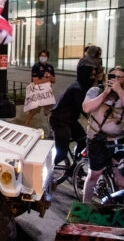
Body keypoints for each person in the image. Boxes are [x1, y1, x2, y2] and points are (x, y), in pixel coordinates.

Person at [81, 66, 124, 203]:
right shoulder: (95, 90)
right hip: (96, 139)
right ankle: (85, 207)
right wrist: (105, 93)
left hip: (118, 140)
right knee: (94, 174)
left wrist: (119, 91)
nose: (115, 80)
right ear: (107, 77)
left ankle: (117, 207)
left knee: (121, 179)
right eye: (112, 76)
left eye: (119, 77)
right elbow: (87, 108)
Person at [48, 65, 96, 168]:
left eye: (94, 75)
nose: (93, 78)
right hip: (59, 120)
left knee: (83, 140)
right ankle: (49, 172)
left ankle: (75, 166)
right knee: (61, 153)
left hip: (70, 120)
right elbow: (84, 108)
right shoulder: (77, 88)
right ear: (85, 75)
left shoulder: (82, 87)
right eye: (91, 75)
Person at [24, 50, 56, 126]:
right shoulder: (36, 67)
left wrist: (48, 77)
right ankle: (26, 125)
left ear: (47, 57)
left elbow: (54, 80)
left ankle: (51, 130)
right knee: (33, 111)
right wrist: (47, 79)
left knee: (50, 112)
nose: (43, 58)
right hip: (38, 93)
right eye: (41, 56)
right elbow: (36, 81)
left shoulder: (50, 67)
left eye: (45, 56)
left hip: (47, 94)